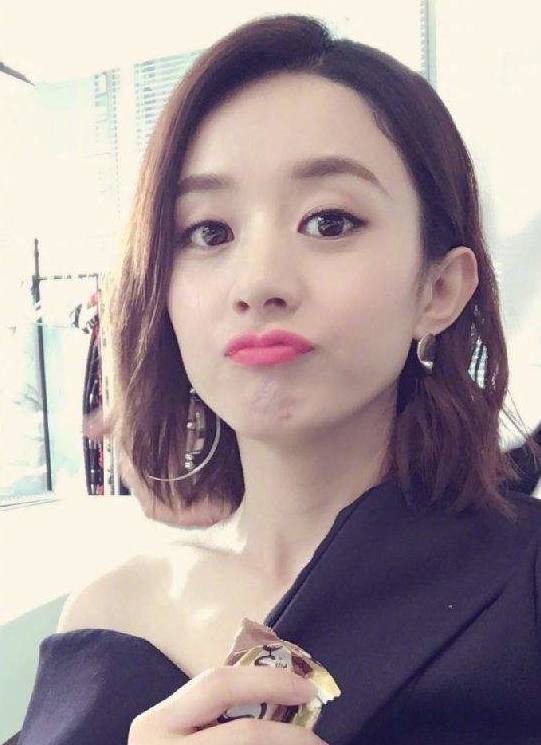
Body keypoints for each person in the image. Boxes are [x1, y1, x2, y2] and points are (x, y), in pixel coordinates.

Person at [17, 13, 541, 745]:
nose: (258, 281)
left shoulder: (522, 582)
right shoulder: (103, 618)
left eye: (329, 222)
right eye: (208, 232)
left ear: (439, 289)